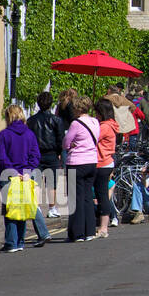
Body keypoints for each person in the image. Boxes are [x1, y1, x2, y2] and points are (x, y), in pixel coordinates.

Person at [0, 104, 41, 253]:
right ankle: (21, 241)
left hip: (9, 175)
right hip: (26, 175)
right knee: (22, 209)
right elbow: (35, 155)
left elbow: (2, 157)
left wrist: (14, 172)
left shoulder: (4, 134)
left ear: (9, 116)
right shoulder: (29, 134)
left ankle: (11, 242)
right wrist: (27, 171)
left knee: (10, 209)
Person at [62, 95, 100, 242]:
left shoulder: (75, 123)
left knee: (76, 199)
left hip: (77, 162)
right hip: (91, 161)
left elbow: (66, 143)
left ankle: (77, 233)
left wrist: (71, 145)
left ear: (77, 108)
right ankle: (90, 231)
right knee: (87, 198)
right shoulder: (95, 121)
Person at [27, 91, 65, 219]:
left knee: (36, 183)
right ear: (50, 104)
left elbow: (29, 139)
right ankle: (52, 208)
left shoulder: (31, 120)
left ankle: (36, 207)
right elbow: (61, 139)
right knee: (52, 183)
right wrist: (59, 153)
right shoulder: (56, 120)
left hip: (36, 155)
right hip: (52, 154)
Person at [93, 99, 119, 238]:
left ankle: (103, 227)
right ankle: (102, 226)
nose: (95, 115)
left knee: (101, 195)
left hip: (102, 163)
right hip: (106, 162)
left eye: (97, 112)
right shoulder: (109, 125)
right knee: (100, 194)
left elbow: (92, 138)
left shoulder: (104, 127)